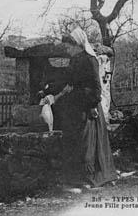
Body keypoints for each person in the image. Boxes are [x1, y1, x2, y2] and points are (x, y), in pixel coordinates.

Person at [59, 26, 118, 188]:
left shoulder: (90, 60)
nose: (67, 50)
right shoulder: (74, 60)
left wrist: (92, 105)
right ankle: (78, 178)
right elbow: (69, 81)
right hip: (76, 106)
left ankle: (92, 178)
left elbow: (96, 87)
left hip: (88, 106)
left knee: (89, 143)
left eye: (68, 47)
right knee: (77, 141)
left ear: (77, 45)